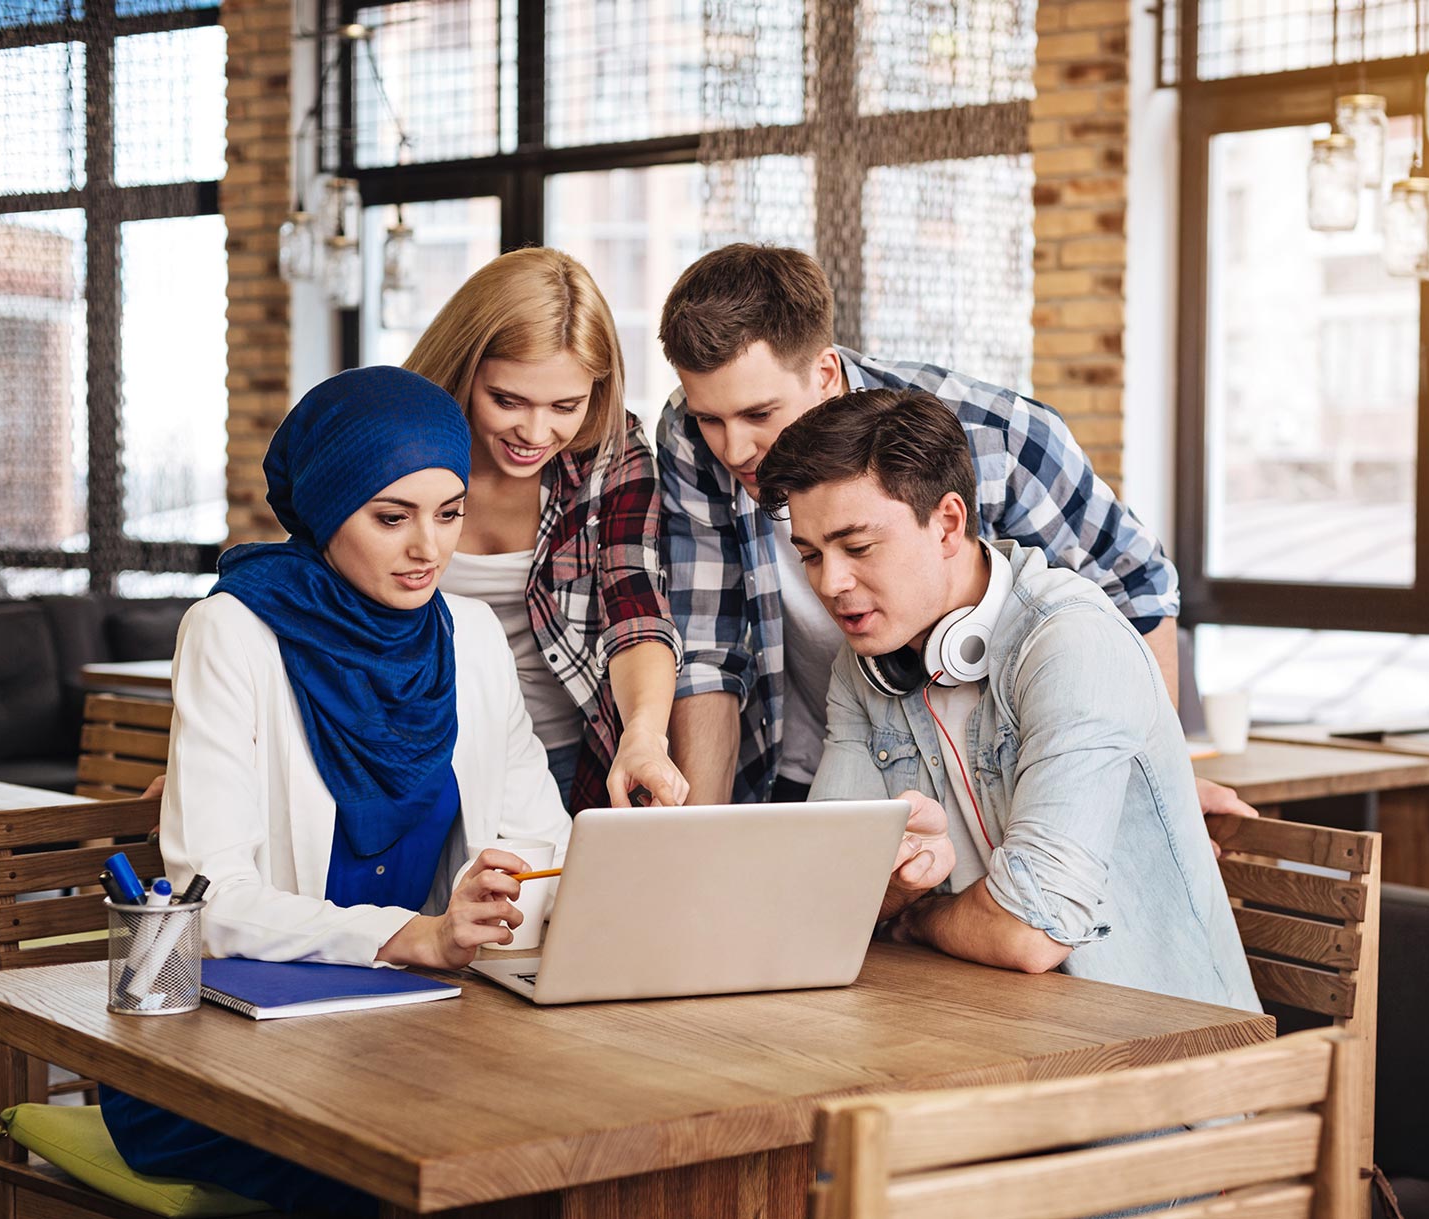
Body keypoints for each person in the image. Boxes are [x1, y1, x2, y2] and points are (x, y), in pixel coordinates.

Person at [98, 366, 575, 1217]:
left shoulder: (468, 637)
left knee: (538, 1155)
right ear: (323, 509)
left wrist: (500, 889)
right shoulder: (232, 632)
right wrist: (412, 937)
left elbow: (547, 839)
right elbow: (214, 898)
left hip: (420, 1040)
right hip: (235, 1052)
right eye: (391, 517)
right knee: (425, 1173)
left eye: (449, 511)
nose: (429, 548)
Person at [655, 243, 1256, 828]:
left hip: (989, 782)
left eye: (760, 415)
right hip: (795, 761)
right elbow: (709, 652)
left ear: (825, 373)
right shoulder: (689, 435)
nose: (734, 449)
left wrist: (1159, 785)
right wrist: (692, 846)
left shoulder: (999, 439)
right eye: (712, 418)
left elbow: (1137, 590)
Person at [757, 387, 1260, 1010]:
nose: (830, 583)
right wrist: (901, 891)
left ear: (947, 524)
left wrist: (914, 918)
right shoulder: (863, 666)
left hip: (1160, 1064)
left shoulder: (1072, 644)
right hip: (986, 1036)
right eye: (810, 555)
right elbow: (816, 906)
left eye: (857, 547)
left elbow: (1031, 932)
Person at [405, 247, 687, 811]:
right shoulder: (397, 443)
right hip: (407, 759)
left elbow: (635, 608)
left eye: (565, 405)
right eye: (507, 400)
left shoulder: (612, 456)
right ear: (464, 370)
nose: (535, 432)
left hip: (561, 760)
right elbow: (319, 592)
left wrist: (644, 736)